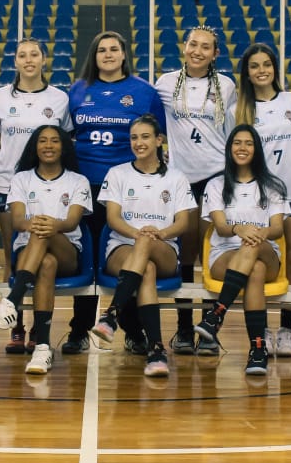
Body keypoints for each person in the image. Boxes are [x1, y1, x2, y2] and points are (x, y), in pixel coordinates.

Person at [64, 31, 166, 356]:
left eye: (114, 49)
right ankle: (78, 330)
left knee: (129, 256)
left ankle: (134, 330)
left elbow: (158, 137)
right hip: (85, 186)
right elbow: (67, 138)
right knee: (88, 260)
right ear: (93, 56)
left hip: (128, 189)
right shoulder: (78, 91)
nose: (108, 54)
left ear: (124, 55)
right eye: (101, 50)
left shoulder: (144, 92)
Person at [89, 115, 194, 377]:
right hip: (123, 247)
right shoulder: (117, 173)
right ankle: (156, 350)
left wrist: (161, 233)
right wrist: (137, 233)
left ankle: (111, 314)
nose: (139, 142)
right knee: (145, 268)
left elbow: (183, 222)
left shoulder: (177, 177)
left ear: (159, 140)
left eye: (145, 136)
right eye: (134, 137)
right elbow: (113, 218)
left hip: (165, 248)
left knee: (148, 246)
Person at [0, 125, 92, 375]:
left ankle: (12, 301)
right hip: (30, 251)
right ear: (35, 146)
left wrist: (52, 225)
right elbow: (18, 220)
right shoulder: (21, 178)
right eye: (43, 141)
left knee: (44, 232)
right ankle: (42, 348)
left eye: (55, 141)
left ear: (64, 146)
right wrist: (39, 224)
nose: (48, 145)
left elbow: (72, 222)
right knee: (45, 264)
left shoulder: (78, 180)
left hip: (67, 250)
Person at [154, 25, 236, 355]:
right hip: (181, 179)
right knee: (185, 257)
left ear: (216, 54)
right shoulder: (165, 83)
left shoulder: (227, 86)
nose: (198, 51)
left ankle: (209, 330)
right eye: (193, 44)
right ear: (184, 47)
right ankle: (185, 328)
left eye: (206, 47)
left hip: (217, 177)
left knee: (210, 253)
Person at [0, 38, 72, 355]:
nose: (28, 60)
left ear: (43, 60)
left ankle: (38, 327)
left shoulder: (59, 99)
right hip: (10, 184)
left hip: (47, 185)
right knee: (15, 259)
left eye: (34, 54)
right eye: (22, 55)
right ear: (15, 62)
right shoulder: (0, 97)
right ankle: (18, 328)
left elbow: (64, 142)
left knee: (40, 252)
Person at [230, 42, 291, 357]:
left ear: (274, 69)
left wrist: (289, 161)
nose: (261, 70)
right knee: (261, 263)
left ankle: (287, 331)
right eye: (254, 66)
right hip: (256, 200)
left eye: (266, 64)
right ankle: (260, 327)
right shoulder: (240, 108)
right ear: (247, 73)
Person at [194, 124, 289, 376]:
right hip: (224, 254)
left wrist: (260, 233)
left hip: (267, 251)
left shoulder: (273, 185)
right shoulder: (215, 185)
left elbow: (278, 229)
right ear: (229, 148)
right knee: (254, 269)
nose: (242, 148)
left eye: (248, 143)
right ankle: (258, 350)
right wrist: (240, 229)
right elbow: (222, 227)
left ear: (256, 149)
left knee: (254, 248)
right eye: (237, 143)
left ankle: (216, 315)